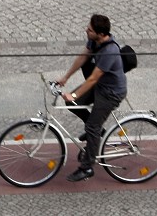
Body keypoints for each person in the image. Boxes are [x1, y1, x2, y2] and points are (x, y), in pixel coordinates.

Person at [54, 13, 127, 181]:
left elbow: (94, 78)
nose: (86, 30)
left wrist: (73, 94)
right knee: (73, 104)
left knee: (91, 127)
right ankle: (97, 130)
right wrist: (66, 77)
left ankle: (87, 168)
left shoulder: (110, 50)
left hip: (111, 93)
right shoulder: (94, 41)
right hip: (100, 86)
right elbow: (82, 57)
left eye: (90, 29)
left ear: (101, 34)